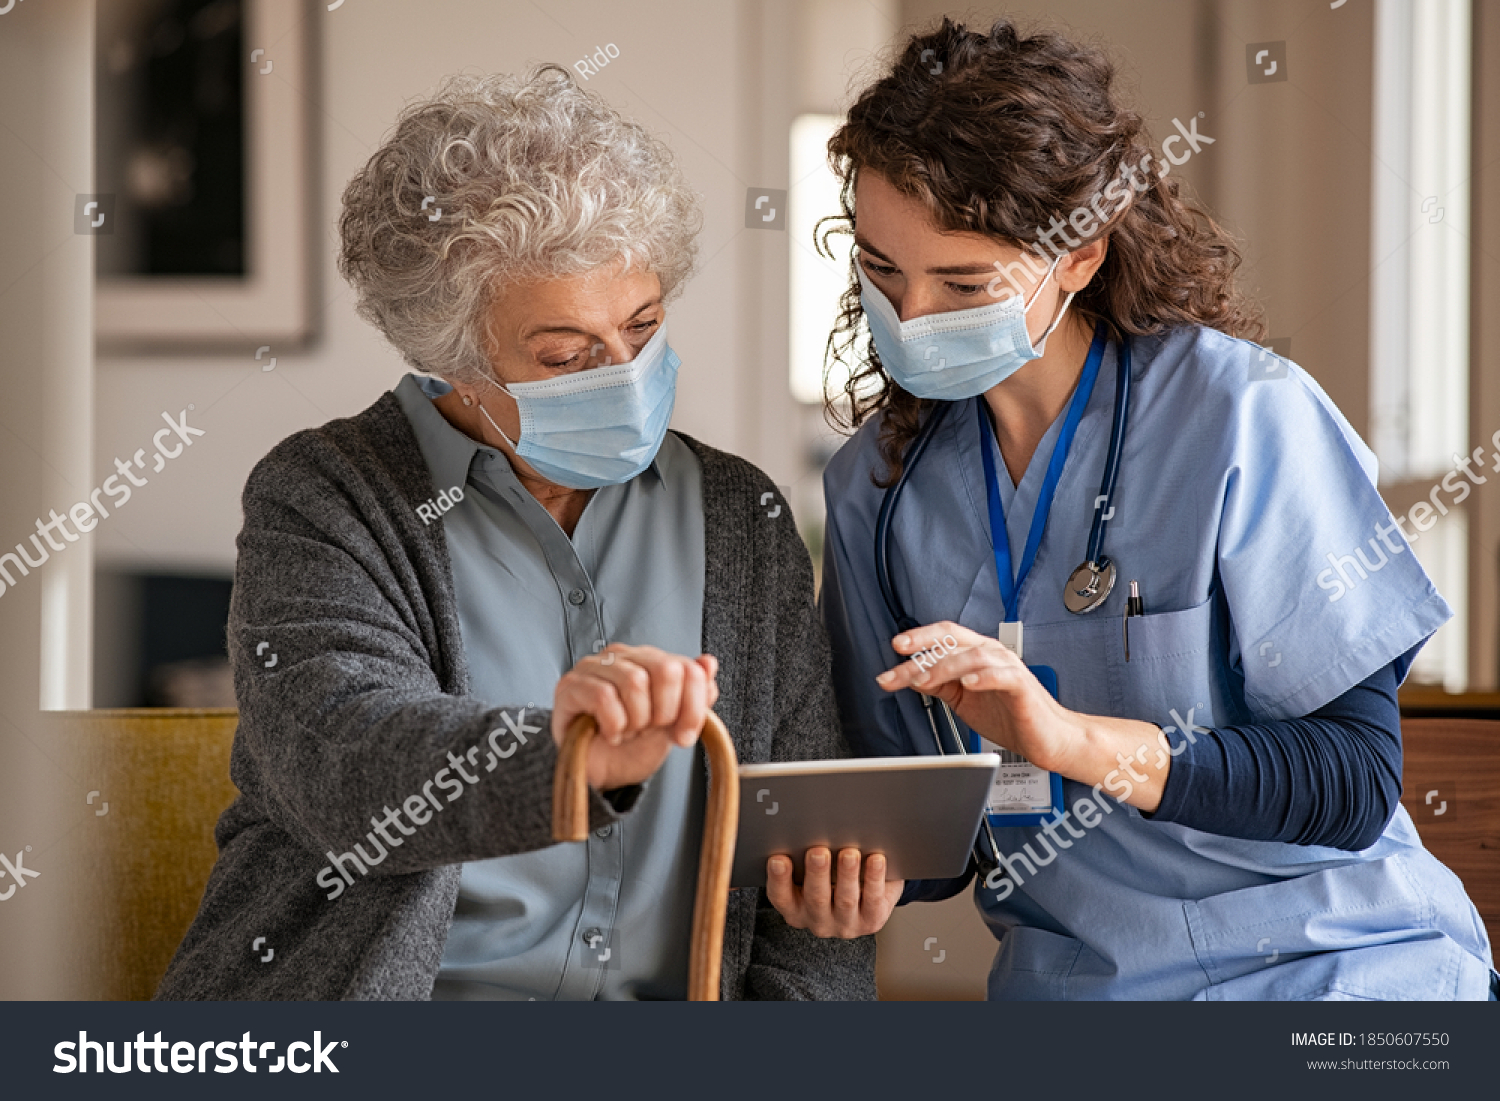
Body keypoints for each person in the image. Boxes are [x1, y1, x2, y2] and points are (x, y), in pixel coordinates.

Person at [156, 66, 894, 1002]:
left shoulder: (737, 511)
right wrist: (567, 757)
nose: (624, 374)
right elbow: (342, 760)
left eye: (643, 325)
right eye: (566, 355)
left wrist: (831, 910)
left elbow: (798, 826)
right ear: (450, 358)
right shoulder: (327, 495)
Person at [817, 19, 1497, 1000]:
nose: (911, 318)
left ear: (1081, 253)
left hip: (1340, 972)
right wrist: (853, 876)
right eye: (881, 271)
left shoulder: (1242, 417)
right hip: (1087, 995)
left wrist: (1065, 739)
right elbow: (931, 839)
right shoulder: (875, 493)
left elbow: (1351, 778)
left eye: (963, 284)